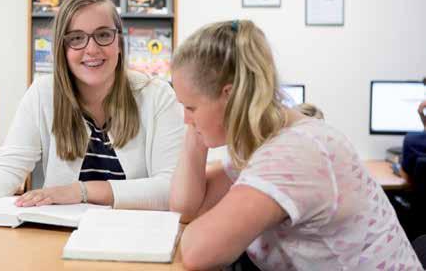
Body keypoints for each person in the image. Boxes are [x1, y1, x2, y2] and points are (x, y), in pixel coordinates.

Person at [169, 20, 420, 269]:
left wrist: (199, 128)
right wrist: (196, 132)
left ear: (230, 95)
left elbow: (196, 252)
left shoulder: (295, 153)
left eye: (190, 108)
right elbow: (187, 209)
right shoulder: (259, 142)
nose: (186, 119)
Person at [0, 0, 184, 226]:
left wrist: (80, 191)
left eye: (103, 35)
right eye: (76, 38)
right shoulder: (43, 93)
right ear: (62, 49)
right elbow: (8, 167)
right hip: (59, 239)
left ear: (119, 42)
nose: (91, 49)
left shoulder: (157, 96)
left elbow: (172, 188)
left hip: (137, 234)